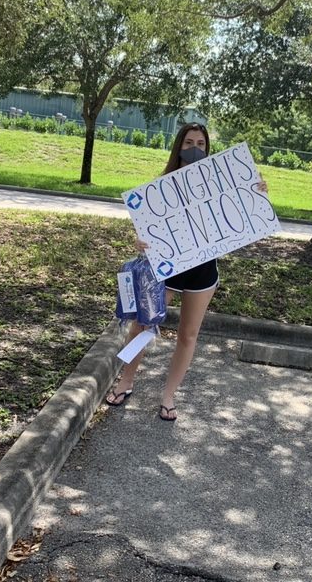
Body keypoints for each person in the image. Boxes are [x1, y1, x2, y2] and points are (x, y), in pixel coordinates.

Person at [106, 123, 268, 421]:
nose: (195, 148)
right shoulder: (161, 186)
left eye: (201, 144)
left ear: (208, 149)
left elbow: (242, 216)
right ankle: (126, 380)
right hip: (166, 269)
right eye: (189, 142)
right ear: (179, 146)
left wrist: (254, 193)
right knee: (143, 325)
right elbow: (146, 228)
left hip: (202, 271)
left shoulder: (221, 186)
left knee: (188, 334)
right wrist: (139, 241)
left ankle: (169, 395)